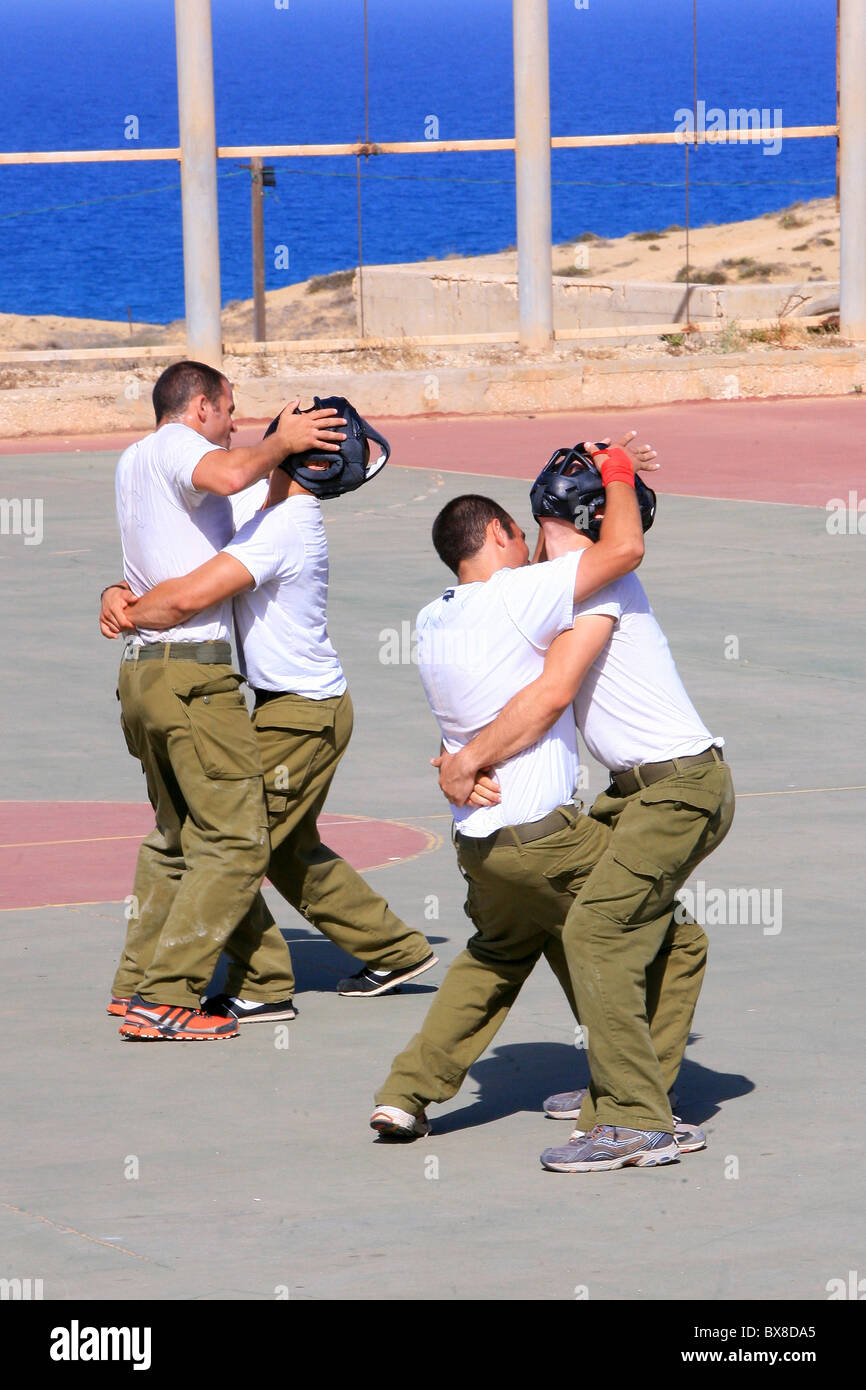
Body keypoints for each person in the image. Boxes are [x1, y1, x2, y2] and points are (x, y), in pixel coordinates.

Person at [434, 443, 735, 1172]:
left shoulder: (596, 582)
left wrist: (620, 471)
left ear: (551, 516)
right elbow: (490, 682)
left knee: (595, 931)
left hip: (681, 787)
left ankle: (637, 1122)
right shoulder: (551, 583)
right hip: (632, 795)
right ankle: (636, 1086)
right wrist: (452, 756)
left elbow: (551, 690)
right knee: (670, 939)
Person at [101, 398, 437, 1024]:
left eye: (282, 436)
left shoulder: (287, 524)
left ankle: (260, 986)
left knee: (232, 844)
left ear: (302, 460)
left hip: (304, 715)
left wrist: (128, 611)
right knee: (281, 846)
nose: (256, 432)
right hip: (283, 709)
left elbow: (187, 598)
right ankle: (394, 949)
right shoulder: (260, 509)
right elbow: (183, 537)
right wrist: (115, 586)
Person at [370, 440, 648, 1144]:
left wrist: (456, 761)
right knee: (663, 937)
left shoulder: (433, 618)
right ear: (498, 534)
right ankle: (636, 1102)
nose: (531, 544)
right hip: (544, 834)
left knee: (496, 957)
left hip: (480, 843)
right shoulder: (519, 592)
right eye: (522, 532)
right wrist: (614, 472)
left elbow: (463, 716)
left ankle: (405, 1094)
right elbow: (621, 553)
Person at [106, 359, 346, 1041]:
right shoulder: (184, 446)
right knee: (239, 842)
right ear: (201, 405)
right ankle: (167, 999)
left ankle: (135, 987)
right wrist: (283, 442)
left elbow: (164, 554)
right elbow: (232, 472)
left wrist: (113, 596)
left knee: (174, 840)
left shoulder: (133, 462)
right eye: (230, 409)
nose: (235, 424)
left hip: (142, 673)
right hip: (191, 676)